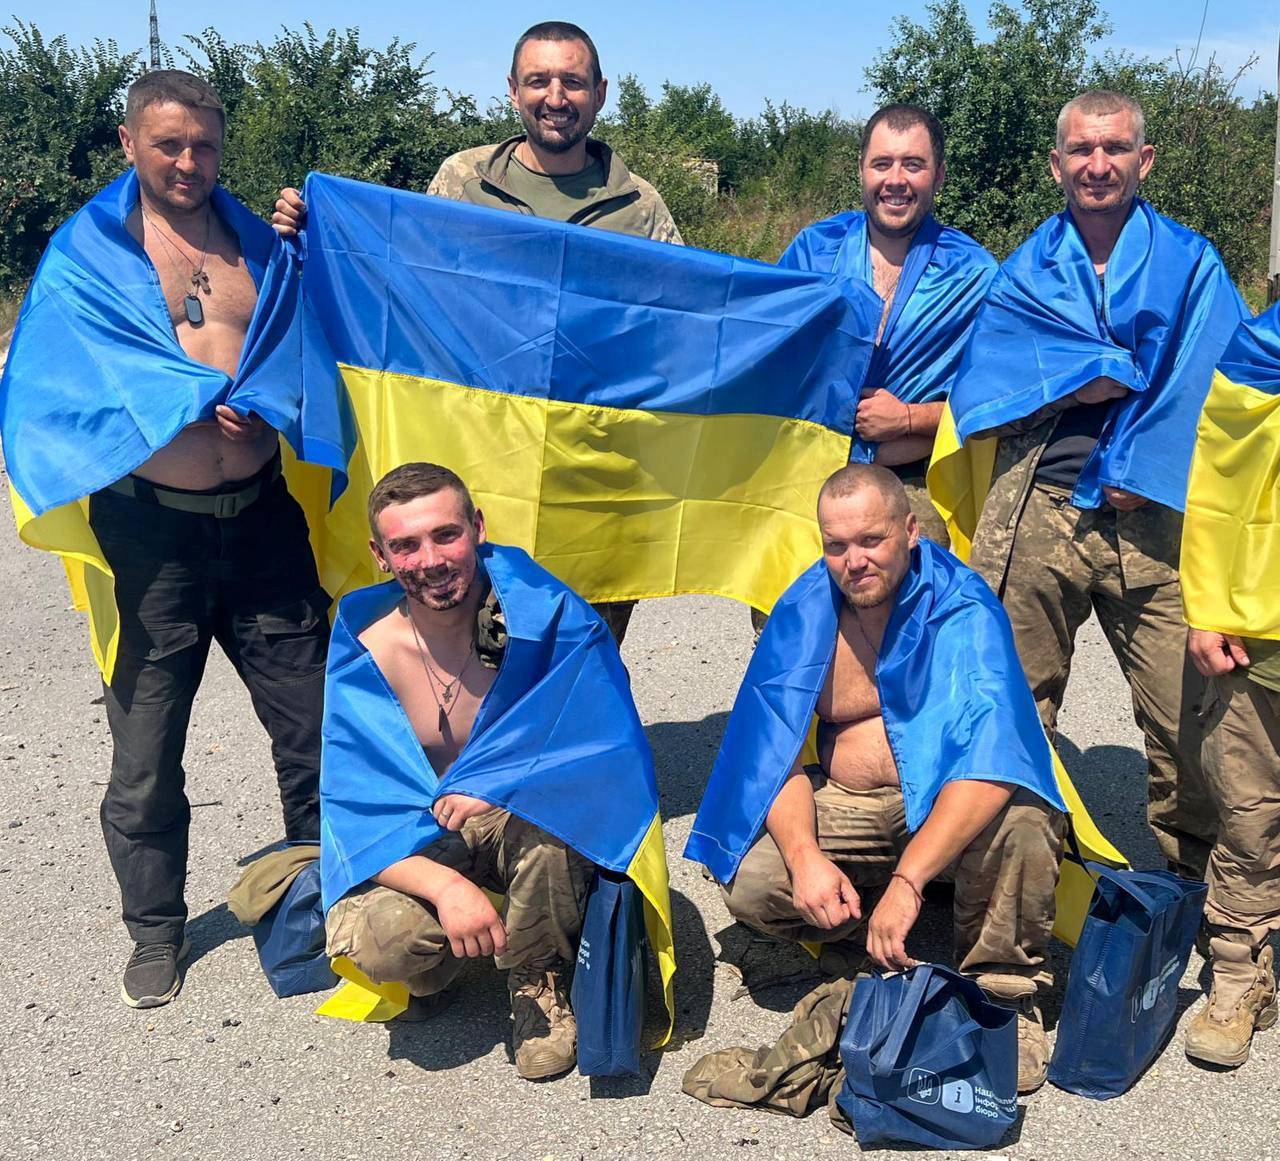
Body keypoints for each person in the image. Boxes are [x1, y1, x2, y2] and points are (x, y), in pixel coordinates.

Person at [0, 70, 347, 1009]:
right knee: (147, 749)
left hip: (266, 522)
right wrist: (183, 412)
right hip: (152, 534)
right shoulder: (87, 258)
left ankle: (328, 898)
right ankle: (155, 930)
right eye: (168, 145)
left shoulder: (261, 249)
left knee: (314, 724)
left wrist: (270, 402)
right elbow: (57, 397)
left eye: (203, 145)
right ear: (129, 144)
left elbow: (309, 355)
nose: (188, 162)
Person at [272, 20, 682, 646]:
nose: (556, 96)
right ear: (513, 90)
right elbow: (401, 283)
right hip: (485, 453)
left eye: (572, 81)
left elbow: (683, 323)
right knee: (481, 645)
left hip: (595, 470)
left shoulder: (640, 206)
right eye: (538, 80)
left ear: (600, 92)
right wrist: (317, 237)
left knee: (585, 646)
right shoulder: (462, 183)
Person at [685, 464, 1067, 1094]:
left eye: (871, 540)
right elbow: (768, 752)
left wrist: (910, 882)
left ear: (909, 531)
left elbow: (996, 764)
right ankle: (864, 938)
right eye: (836, 546)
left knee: (1024, 816)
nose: (853, 560)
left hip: (951, 802)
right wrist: (806, 858)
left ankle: (1005, 994)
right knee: (753, 880)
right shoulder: (803, 614)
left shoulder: (963, 606)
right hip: (855, 803)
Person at [945, 90, 1248, 879]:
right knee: (1012, 712)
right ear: (1057, 165)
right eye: (1081, 150)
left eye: (1115, 148)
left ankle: (1204, 911)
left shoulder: (1192, 263)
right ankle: (1022, 928)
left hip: (1156, 524)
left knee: (1193, 723)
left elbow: (1213, 384)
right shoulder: (1024, 271)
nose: (1098, 164)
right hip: (1041, 512)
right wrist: (1075, 381)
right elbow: (989, 378)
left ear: (1143, 160)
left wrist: (1146, 469)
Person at [319, 463, 673, 1080]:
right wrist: (446, 889)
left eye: (445, 535)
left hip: (521, 820)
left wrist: (507, 782)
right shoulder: (364, 647)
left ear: (478, 528)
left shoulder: (546, 621)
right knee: (383, 943)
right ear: (379, 555)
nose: (430, 560)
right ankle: (452, 955)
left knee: (553, 823)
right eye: (405, 545)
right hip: (421, 836)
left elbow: (604, 747)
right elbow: (355, 813)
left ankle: (538, 979)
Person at [778, 104, 997, 546]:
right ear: (862, 171)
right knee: (789, 611)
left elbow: (997, 401)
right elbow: (766, 357)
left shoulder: (974, 273)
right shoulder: (815, 251)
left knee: (915, 610)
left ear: (938, 176)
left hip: (912, 485)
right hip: (808, 477)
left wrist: (908, 418)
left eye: (913, 164)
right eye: (882, 163)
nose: (895, 179)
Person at [1179, 304, 1280, 1067]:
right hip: (1264, 621)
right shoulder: (1263, 345)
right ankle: (1239, 969)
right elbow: (1218, 479)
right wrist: (1208, 605)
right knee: (1247, 804)